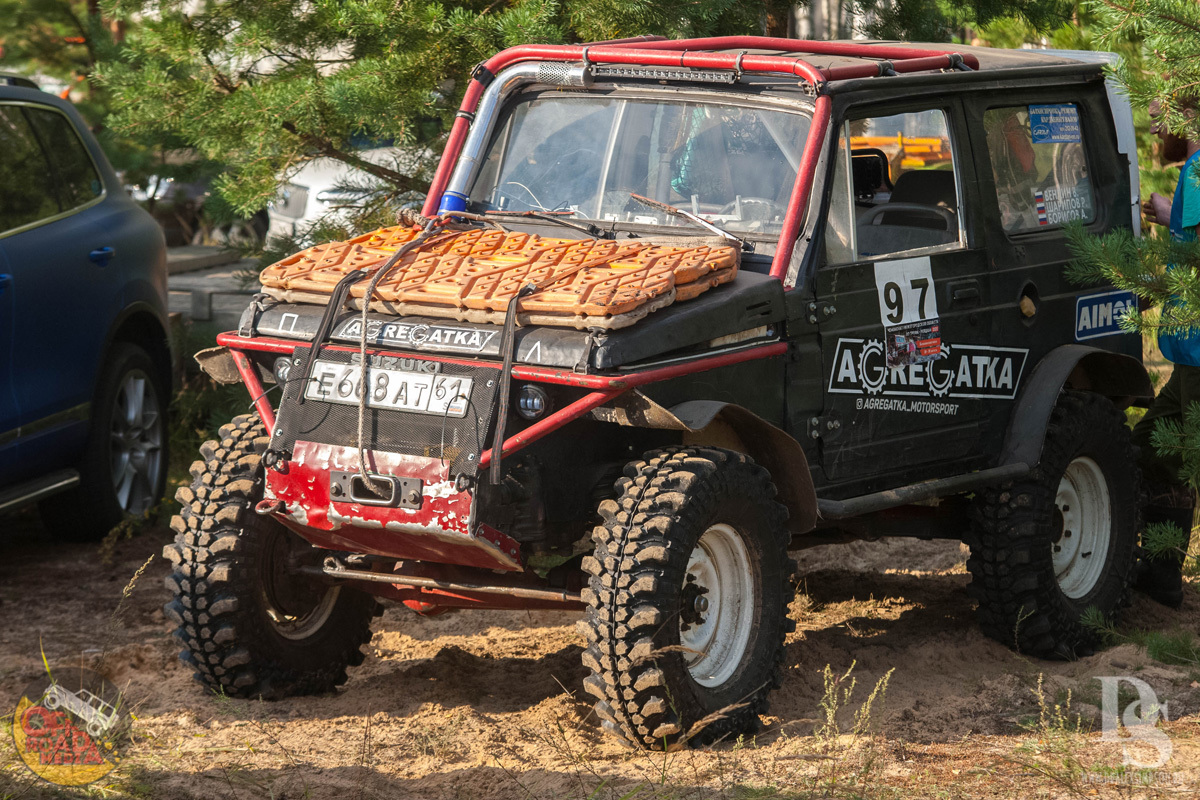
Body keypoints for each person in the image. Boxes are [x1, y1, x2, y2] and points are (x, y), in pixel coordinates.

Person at [1130, 98, 1200, 608]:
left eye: (1160, 115)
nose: (1154, 126)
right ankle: (1163, 576)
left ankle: (1163, 574)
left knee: (1154, 452)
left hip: (1199, 357)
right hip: (1191, 359)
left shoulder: (1197, 171)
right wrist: (1168, 212)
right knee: (1157, 452)